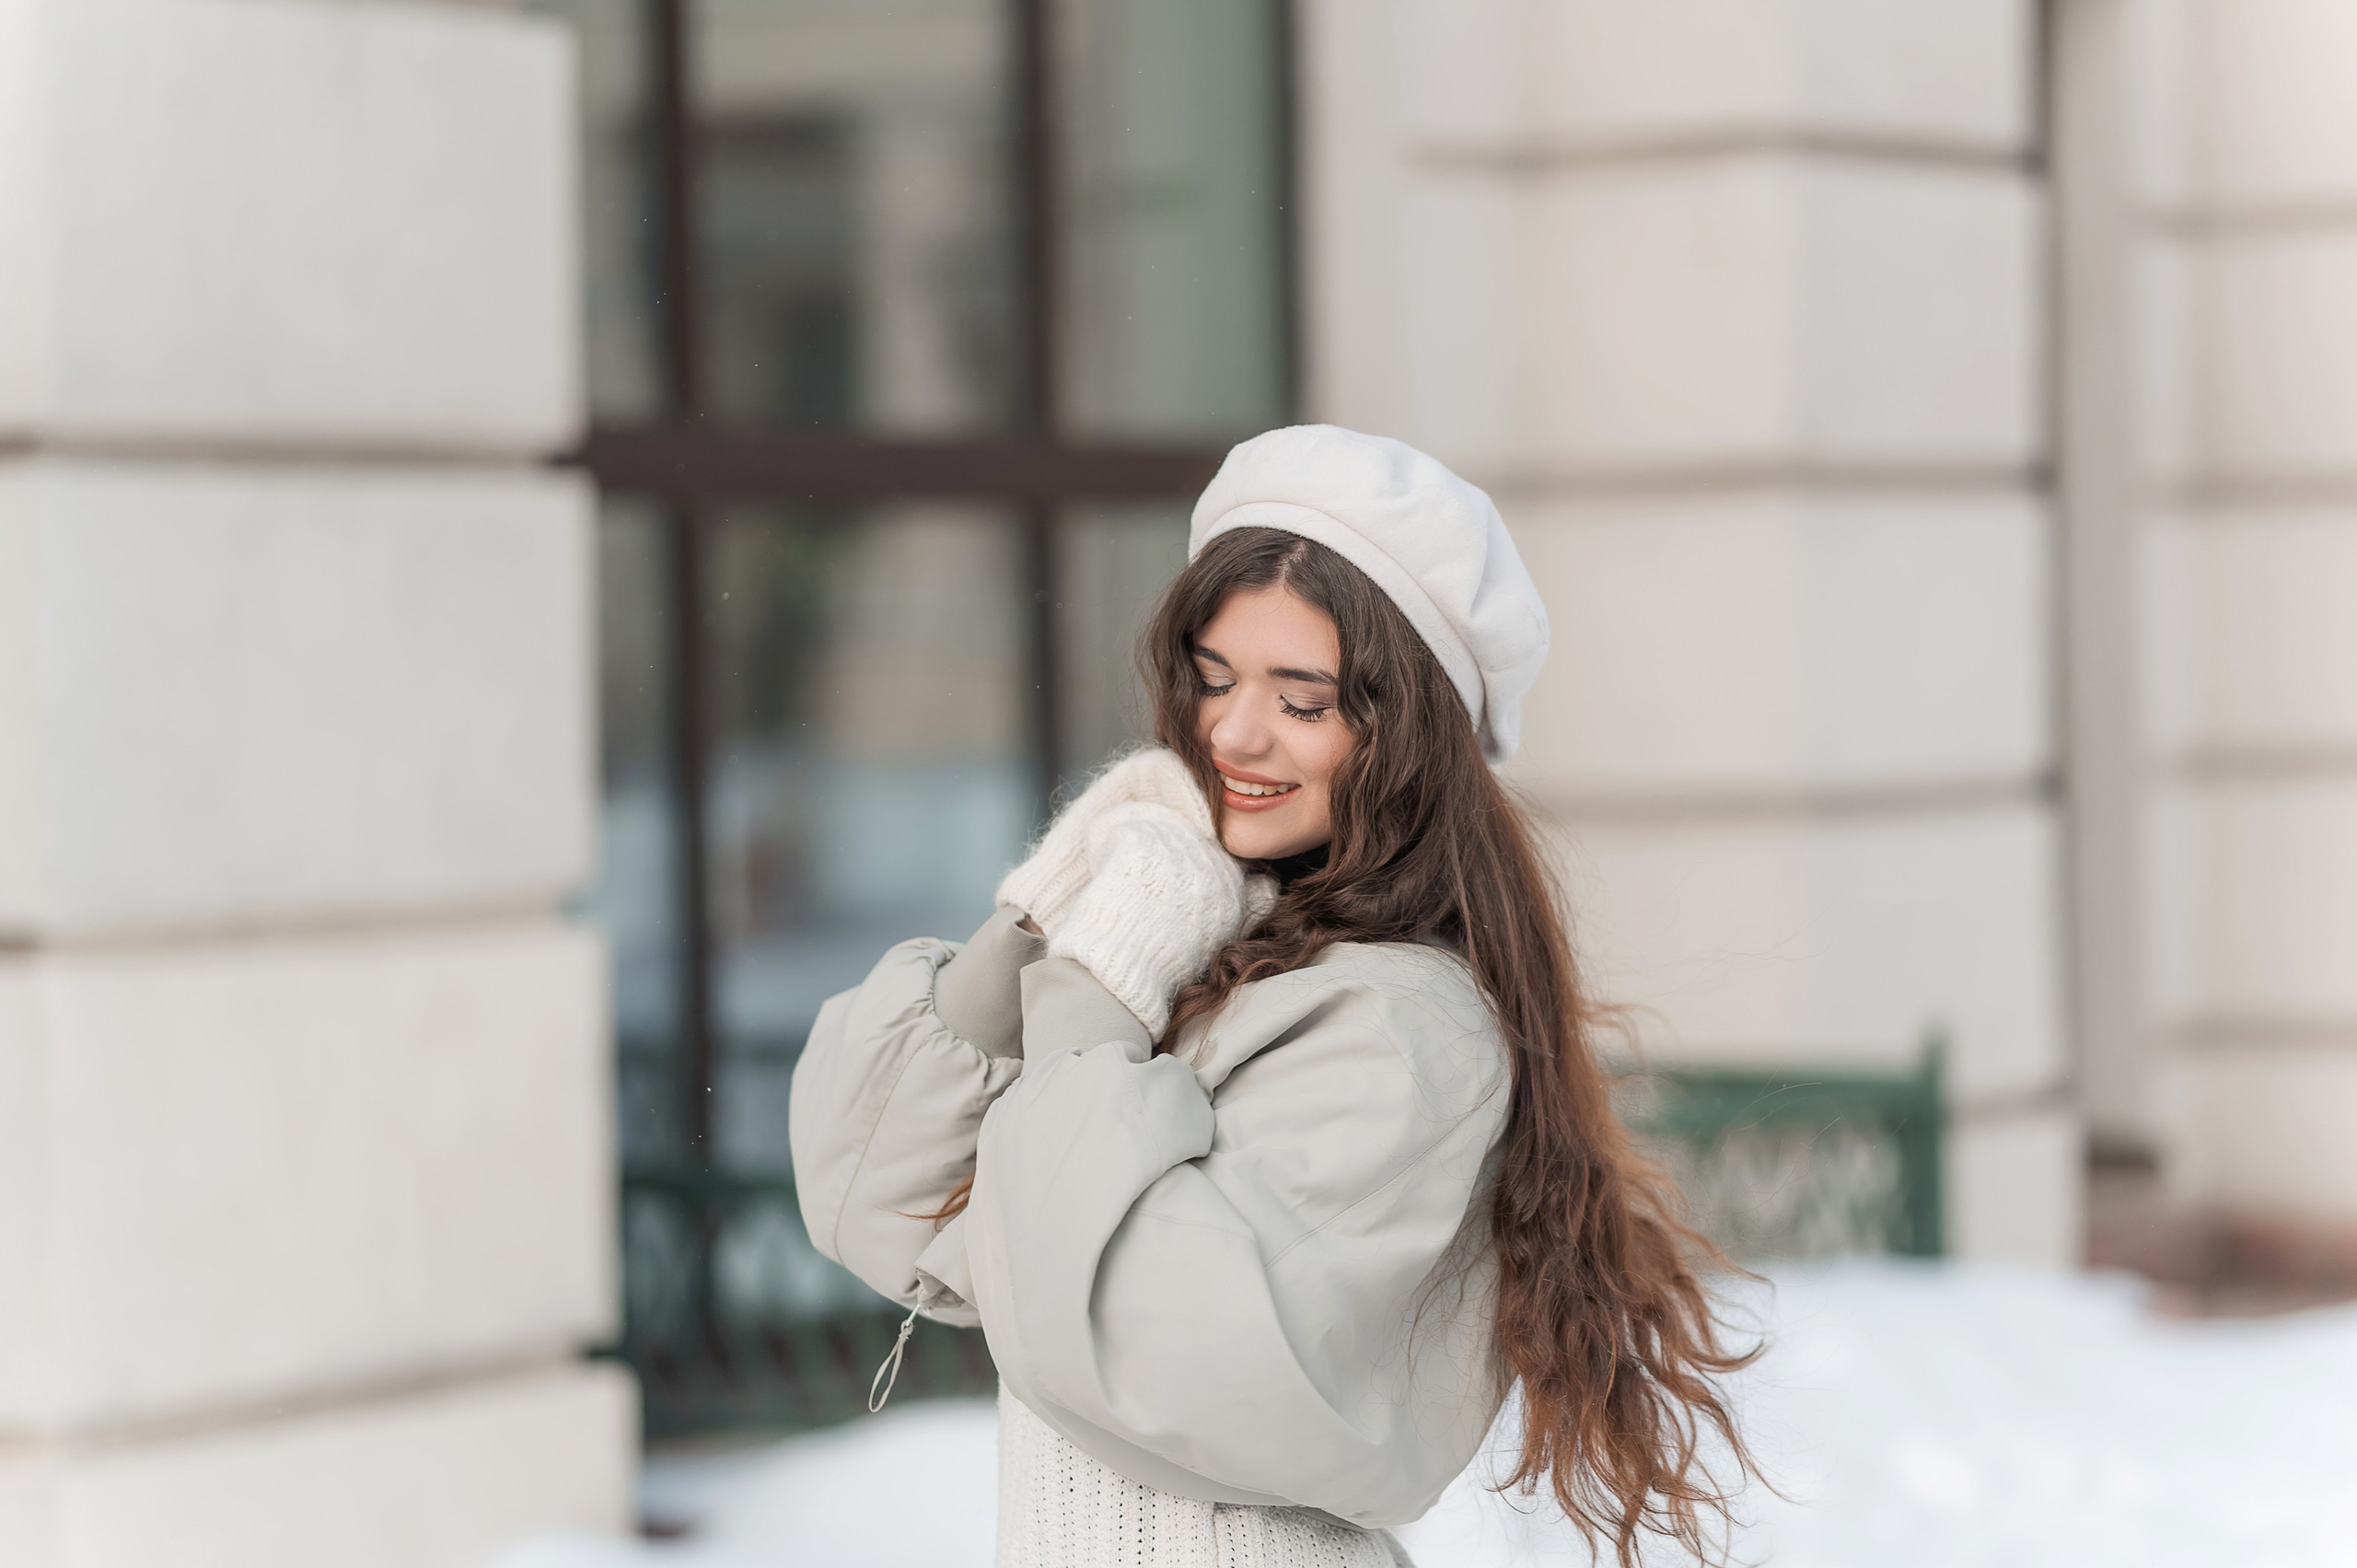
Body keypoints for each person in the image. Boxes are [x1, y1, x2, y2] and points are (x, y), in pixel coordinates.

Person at [789, 424, 1756, 1567]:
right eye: (1212, 678)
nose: (1233, 733)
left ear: (1402, 738)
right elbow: (876, 1202)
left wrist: (1097, 987)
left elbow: (1137, 1341)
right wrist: (1049, 913)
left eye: (1302, 701)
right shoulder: (1206, 943)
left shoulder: (1403, 1025)